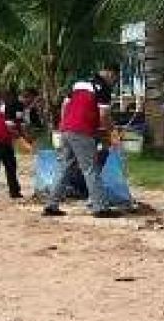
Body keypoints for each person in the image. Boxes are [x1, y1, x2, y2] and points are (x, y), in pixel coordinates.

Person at [44, 63, 121, 219]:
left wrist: (63, 124)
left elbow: (65, 106)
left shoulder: (79, 83)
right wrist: (113, 132)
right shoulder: (104, 88)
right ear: (110, 74)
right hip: (82, 132)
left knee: (63, 167)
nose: (114, 83)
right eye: (115, 79)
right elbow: (104, 115)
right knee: (90, 168)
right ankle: (100, 207)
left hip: (66, 129)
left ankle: (51, 205)